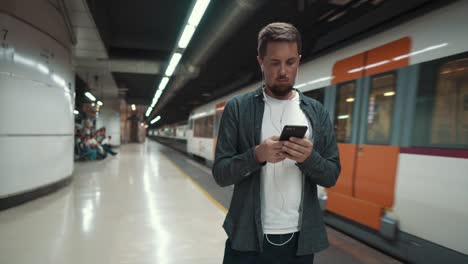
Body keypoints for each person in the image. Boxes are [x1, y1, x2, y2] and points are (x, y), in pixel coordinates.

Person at [212, 22, 341, 263]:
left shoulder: (317, 112)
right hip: (246, 239)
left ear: (298, 61)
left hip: (299, 243)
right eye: (274, 63)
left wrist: (309, 159)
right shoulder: (238, 109)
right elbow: (221, 173)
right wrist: (257, 155)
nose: (283, 71)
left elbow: (331, 175)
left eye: (290, 62)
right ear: (261, 61)